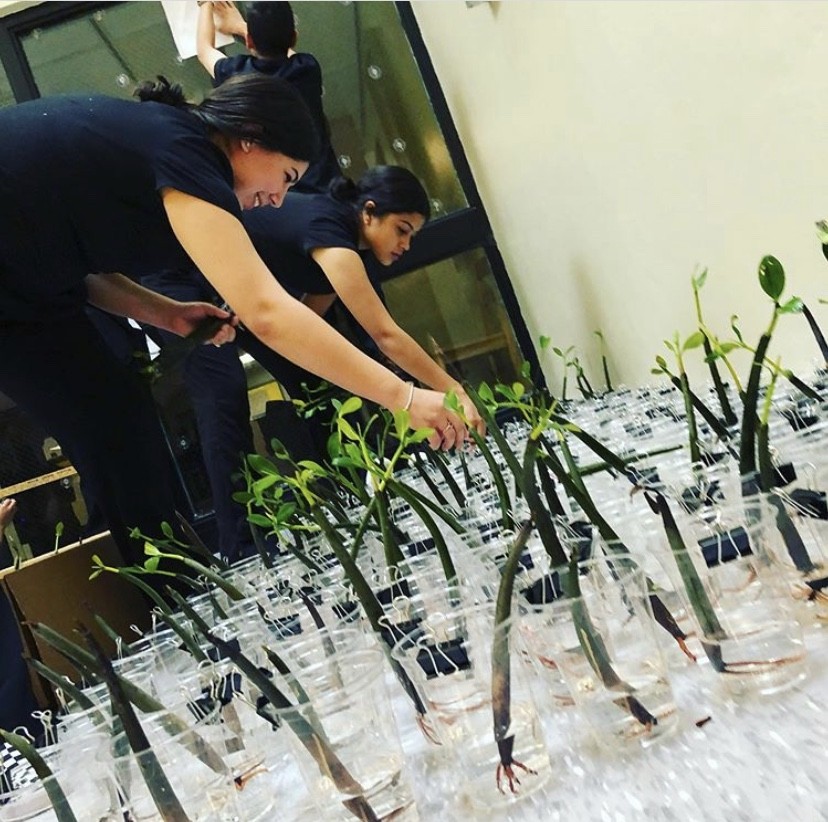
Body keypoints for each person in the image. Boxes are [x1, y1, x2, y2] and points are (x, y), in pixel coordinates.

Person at [0, 74, 469, 571]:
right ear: (250, 137)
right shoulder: (183, 148)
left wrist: (167, 313)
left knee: (120, 428)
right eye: (285, 177)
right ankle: (175, 603)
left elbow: (79, 267)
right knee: (118, 432)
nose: (279, 198)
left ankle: (177, 596)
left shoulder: (168, 143)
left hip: (30, 292)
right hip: (16, 298)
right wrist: (403, 396)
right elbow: (266, 311)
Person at [142, 166, 484, 562]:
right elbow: (386, 336)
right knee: (222, 389)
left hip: (231, 291)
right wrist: (453, 389)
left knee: (325, 379)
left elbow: (312, 326)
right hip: (177, 278)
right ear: (369, 212)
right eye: (402, 229)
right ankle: (240, 547)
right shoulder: (333, 238)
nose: (405, 244)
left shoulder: (342, 244)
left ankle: (355, 501)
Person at [197, 0, 340, 193]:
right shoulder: (307, 69)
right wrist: (240, 27)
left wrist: (205, 4)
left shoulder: (237, 75)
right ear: (295, 37)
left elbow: (204, 50)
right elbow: (288, 51)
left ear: (249, 41)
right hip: (327, 181)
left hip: (284, 191)